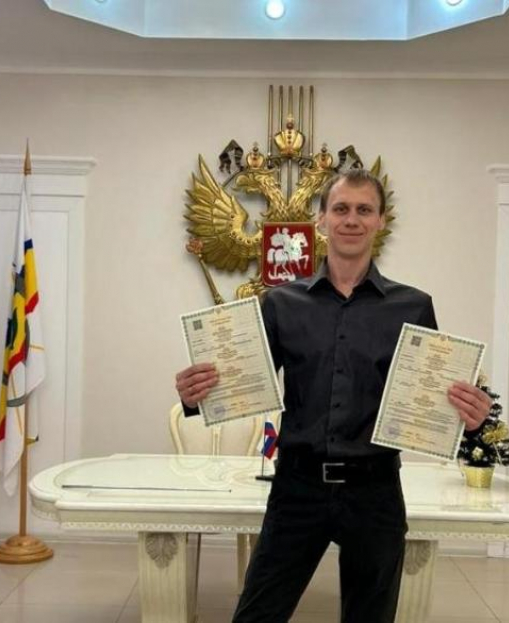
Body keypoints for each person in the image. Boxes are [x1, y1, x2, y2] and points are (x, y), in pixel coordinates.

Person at [174, 169, 491, 623]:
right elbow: (241, 381)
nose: (352, 219)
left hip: (375, 491)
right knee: (256, 616)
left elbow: (429, 400)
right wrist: (195, 394)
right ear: (321, 219)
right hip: (297, 488)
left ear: (381, 220)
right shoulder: (281, 303)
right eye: (341, 208)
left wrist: (470, 418)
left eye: (364, 210)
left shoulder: (413, 306)